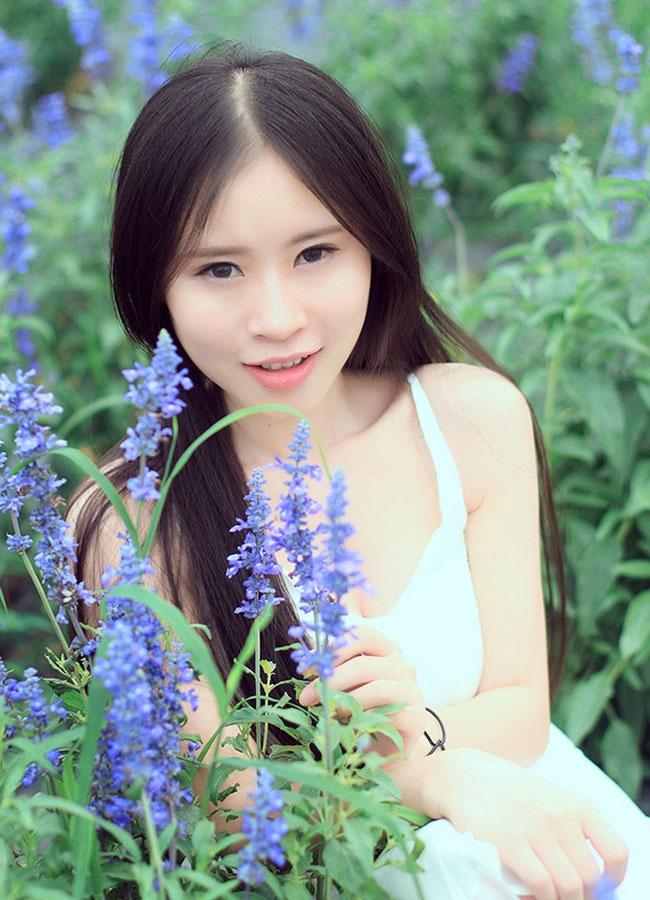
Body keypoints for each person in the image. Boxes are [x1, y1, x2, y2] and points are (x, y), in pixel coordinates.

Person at [67, 43, 650, 899]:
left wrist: (418, 733)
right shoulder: (132, 521)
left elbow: (524, 706)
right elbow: (220, 802)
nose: (276, 317)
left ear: (375, 244)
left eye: (315, 253)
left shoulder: (473, 420)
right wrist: (431, 775)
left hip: (548, 831)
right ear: (155, 284)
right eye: (219, 268)